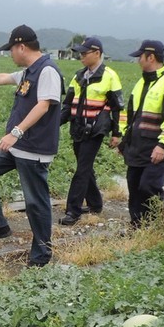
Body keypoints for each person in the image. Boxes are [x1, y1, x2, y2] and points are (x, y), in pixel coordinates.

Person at [0, 24, 64, 268]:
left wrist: (15, 133)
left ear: (21, 47)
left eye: (11, 49)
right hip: (16, 147)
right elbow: (4, 78)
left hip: (34, 148)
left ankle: (41, 255)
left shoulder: (47, 71)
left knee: (35, 202)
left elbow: (44, 105)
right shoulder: (29, 72)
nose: (10, 54)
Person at [117, 39, 164, 229]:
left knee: (149, 187)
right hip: (138, 147)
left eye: (140, 56)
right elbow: (132, 116)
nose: (138, 60)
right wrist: (124, 142)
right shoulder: (141, 83)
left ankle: (161, 224)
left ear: (151, 57)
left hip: (158, 148)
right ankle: (137, 226)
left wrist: (163, 145)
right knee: (134, 186)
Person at [58, 36, 124, 225]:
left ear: (97, 53)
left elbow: (118, 108)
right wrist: (53, 125)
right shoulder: (78, 76)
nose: (81, 57)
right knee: (85, 167)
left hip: (95, 130)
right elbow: (67, 105)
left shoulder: (109, 76)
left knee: (82, 169)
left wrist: (117, 133)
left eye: (84, 53)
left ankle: (73, 211)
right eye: (80, 54)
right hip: (78, 128)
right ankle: (95, 204)